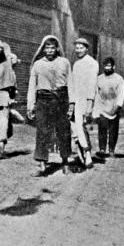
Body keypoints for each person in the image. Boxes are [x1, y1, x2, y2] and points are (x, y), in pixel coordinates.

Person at [27, 35, 73, 176]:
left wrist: (71, 104)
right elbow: (32, 86)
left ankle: (65, 162)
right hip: (43, 100)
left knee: (63, 131)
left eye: (52, 48)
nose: (50, 50)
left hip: (61, 99)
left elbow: (70, 83)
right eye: (47, 48)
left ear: (57, 49)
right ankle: (42, 164)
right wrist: (30, 105)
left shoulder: (64, 62)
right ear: (43, 49)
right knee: (42, 132)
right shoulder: (38, 64)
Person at [69, 38, 99, 168]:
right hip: (75, 100)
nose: (78, 50)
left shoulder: (92, 63)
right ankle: (82, 153)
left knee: (81, 128)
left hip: (85, 100)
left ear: (86, 49)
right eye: (77, 48)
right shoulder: (76, 64)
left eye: (81, 48)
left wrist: (89, 104)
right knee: (74, 128)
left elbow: (92, 85)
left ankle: (87, 154)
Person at [92, 57, 124, 158]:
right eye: (105, 66)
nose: (107, 68)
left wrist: (117, 106)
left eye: (109, 66)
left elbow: (121, 93)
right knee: (102, 128)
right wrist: (96, 110)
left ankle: (111, 150)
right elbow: (97, 94)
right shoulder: (99, 79)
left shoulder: (118, 79)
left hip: (114, 107)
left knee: (113, 130)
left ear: (113, 67)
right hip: (102, 107)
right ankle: (102, 149)